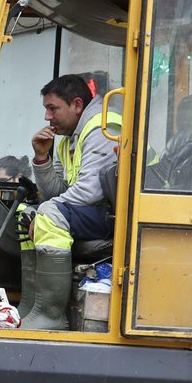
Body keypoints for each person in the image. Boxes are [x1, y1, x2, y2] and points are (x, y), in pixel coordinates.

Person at [23, 74, 120, 330]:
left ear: (77, 105)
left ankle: (51, 315)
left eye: (52, 108)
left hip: (122, 215)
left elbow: (88, 192)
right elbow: (57, 194)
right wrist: (41, 158)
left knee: (46, 214)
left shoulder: (103, 127)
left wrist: (45, 211)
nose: (47, 117)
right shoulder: (68, 137)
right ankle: (32, 304)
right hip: (97, 213)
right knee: (27, 213)